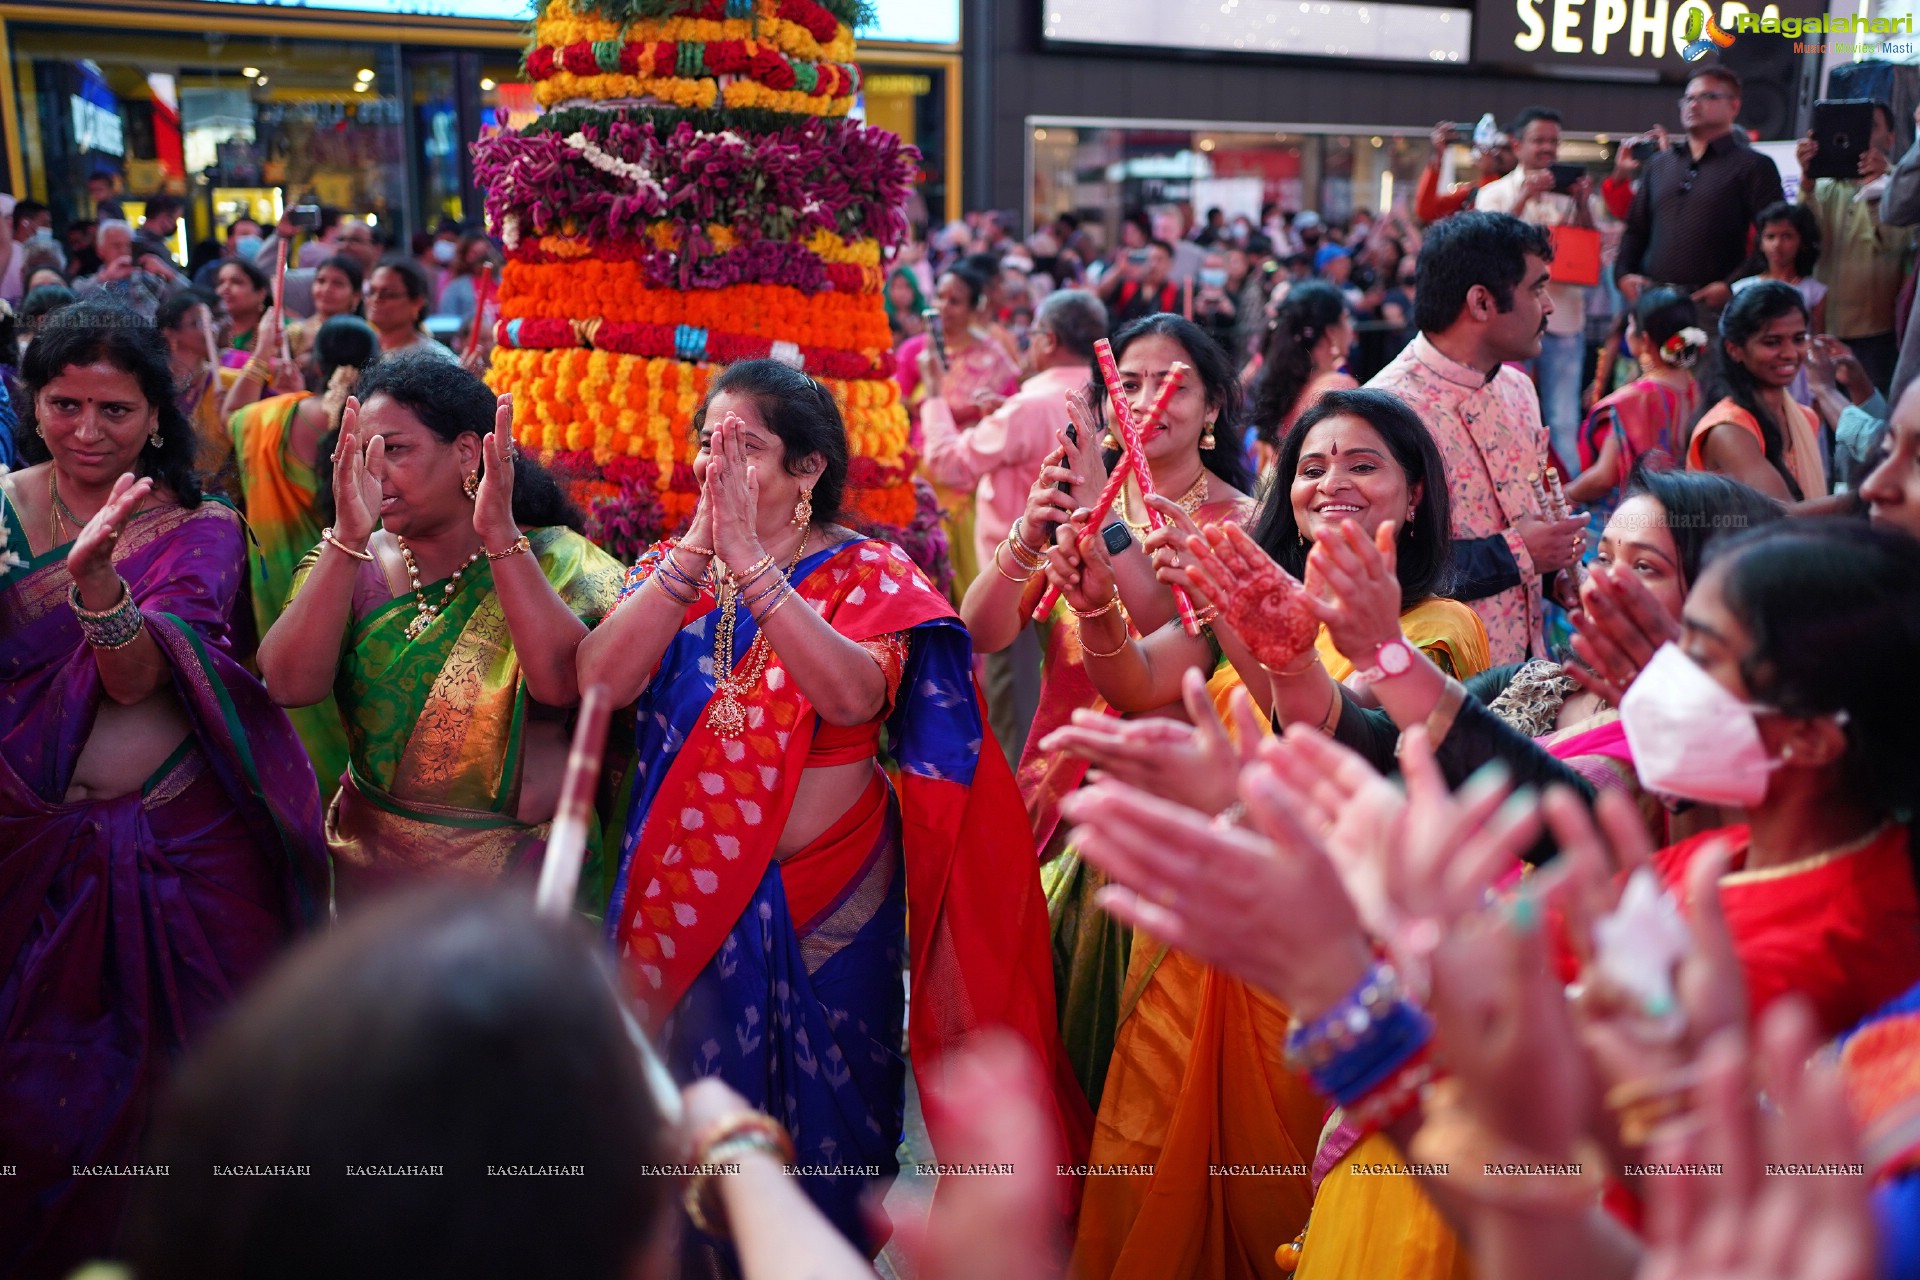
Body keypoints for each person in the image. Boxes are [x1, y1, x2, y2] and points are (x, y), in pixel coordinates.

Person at [578, 358, 1088, 1265]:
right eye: (708, 445)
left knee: (835, 1139)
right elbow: (601, 681)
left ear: (809, 470)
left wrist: (754, 569)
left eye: (746, 448)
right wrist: (703, 551)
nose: (718, 465)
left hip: (831, 904)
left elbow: (856, 698)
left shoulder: (868, 574)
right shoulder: (666, 566)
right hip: (686, 899)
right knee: (686, 1137)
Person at [0, 301, 329, 1278]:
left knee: (212, 1092)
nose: (87, 430)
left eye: (114, 408)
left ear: (156, 415)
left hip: (186, 849)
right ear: (36, 403)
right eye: (65, 404)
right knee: (39, 1094)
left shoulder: (200, 526)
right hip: (31, 852)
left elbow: (141, 679)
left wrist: (98, 584)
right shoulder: (5, 517)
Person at [958, 314, 1253, 1121]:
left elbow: (1168, 654)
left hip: (1153, 818)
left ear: (1216, 408)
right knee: (1023, 1044)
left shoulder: (1238, 522)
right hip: (1050, 795)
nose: (1152, 398)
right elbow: (983, 628)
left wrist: (1107, 515)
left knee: (1115, 1061)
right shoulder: (1079, 494)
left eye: (1175, 382)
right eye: (1131, 380)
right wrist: (1031, 526)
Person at [258, 354, 623, 904]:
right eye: (360, 453)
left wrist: (500, 535)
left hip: (518, 889)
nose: (372, 470)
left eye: (395, 449)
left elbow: (563, 686)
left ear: (467, 453)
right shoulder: (348, 562)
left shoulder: (562, 563)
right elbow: (288, 686)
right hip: (375, 878)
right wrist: (346, 535)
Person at [1368, 211, 1588, 664]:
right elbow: (1378, 565)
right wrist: (1519, 552)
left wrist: (1553, 575)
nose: (1548, 306)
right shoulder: (1385, 410)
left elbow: (1525, 521)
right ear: (1481, 302)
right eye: (1537, 288)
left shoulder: (1519, 387)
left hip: (1526, 670)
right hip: (1437, 684)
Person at [921, 289, 1106, 764]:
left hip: (1022, 585)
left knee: (1016, 720)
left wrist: (936, 398)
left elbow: (947, 464)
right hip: (1099, 579)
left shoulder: (1030, 404)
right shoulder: (1108, 394)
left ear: (1047, 340)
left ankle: (1020, 821)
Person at [229, 314, 379, 796]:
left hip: (279, 591)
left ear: (315, 361)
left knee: (294, 680)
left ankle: (305, 802)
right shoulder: (375, 431)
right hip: (360, 588)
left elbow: (227, 419)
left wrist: (259, 359)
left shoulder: (266, 417)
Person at [1474, 106, 1608, 471]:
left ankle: (1566, 504)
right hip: (1508, 319)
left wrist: (1582, 204)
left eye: (1554, 141)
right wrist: (1523, 200)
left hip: (1564, 317)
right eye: (1539, 140)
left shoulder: (1576, 195)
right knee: (1501, 410)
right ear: (1517, 144)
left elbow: (1595, 251)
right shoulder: (1496, 194)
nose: (1548, 148)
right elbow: (1485, 247)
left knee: (1563, 418)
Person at [1617, 66, 1785, 312]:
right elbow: (1635, 228)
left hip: (1714, 306)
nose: (1694, 105)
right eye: (1689, 98)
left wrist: (1731, 286)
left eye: (1708, 97)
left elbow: (1774, 236)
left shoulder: (1753, 165)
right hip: (1652, 301)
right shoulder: (1660, 164)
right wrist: (1623, 274)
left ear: (1734, 106)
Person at [901, 261, 1022, 594]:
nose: (943, 307)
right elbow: (895, 406)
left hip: (967, 475)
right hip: (919, 473)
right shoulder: (915, 351)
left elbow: (1009, 414)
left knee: (965, 576)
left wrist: (987, 408)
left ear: (975, 306)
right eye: (939, 297)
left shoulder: (992, 356)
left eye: (954, 300)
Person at [1688, 279, 1844, 510]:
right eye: (1772, 342)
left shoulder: (1803, 417)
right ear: (1735, 349)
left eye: (1799, 339)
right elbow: (1783, 515)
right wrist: (1870, 495)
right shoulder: (1727, 429)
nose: (1790, 353)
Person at [1795, 100, 1909, 392]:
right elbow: (1804, 241)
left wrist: (1877, 185)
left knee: (1868, 419)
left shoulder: (1903, 186)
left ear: (1891, 138)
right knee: (1820, 419)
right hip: (1820, 328)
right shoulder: (1824, 184)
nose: (1863, 134)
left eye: (1871, 127)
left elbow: (1892, 244)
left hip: (1874, 334)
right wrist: (1807, 181)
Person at [1565, 287, 1706, 522]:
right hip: (1685, 516)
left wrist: (1563, 495)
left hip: (1631, 520)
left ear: (1644, 340)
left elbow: (1603, 478)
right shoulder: (1695, 389)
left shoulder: (1630, 401)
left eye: (1630, 325)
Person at [1247, 280, 1357, 474]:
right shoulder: (1337, 388)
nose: (1352, 330)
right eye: (1346, 319)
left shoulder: (1290, 386)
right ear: (1331, 332)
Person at [1732, 200, 1828, 405]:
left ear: (1801, 242)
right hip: (1756, 375)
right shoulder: (1743, 289)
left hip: (1799, 378)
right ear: (1760, 242)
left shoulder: (1813, 291)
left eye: (1787, 237)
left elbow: (1816, 345)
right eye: (1770, 237)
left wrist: (1819, 399)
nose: (1777, 245)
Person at [154, 288, 247, 497]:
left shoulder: (230, 381)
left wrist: (233, 418)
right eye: (199, 323)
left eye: (212, 321)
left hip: (222, 498)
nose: (212, 329)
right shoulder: (155, 384)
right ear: (170, 333)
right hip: (165, 494)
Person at [286, 253, 364, 388]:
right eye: (321, 281)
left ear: (356, 295)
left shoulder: (363, 335)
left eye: (338, 284)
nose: (326, 289)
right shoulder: (294, 331)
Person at [73, 220, 172, 321]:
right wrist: (105, 277)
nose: (124, 251)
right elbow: (75, 300)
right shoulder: (83, 284)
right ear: (100, 250)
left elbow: (183, 299)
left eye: (129, 245)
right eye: (117, 245)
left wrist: (170, 274)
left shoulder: (148, 280)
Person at [364, 258, 457, 362]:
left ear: (417, 303)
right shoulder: (357, 348)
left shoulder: (434, 358)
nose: (376, 299)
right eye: (371, 292)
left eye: (388, 294)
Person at [435, 233, 501, 349]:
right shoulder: (455, 289)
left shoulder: (502, 282)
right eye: (475, 253)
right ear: (464, 256)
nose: (482, 258)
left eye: (485, 252)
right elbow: (448, 326)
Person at [214, 257, 274, 369]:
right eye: (220, 282)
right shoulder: (210, 333)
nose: (225, 288)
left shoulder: (279, 331)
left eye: (236, 282)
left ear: (260, 294)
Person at [1107, 239, 1180, 328]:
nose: (1153, 265)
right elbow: (1100, 294)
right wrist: (1119, 269)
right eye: (1150, 258)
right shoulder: (1127, 285)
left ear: (1169, 264)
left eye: (1159, 260)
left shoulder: (1176, 292)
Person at [132, 194, 187, 272]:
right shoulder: (152, 247)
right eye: (174, 219)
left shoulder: (133, 238)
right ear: (165, 217)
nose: (174, 225)